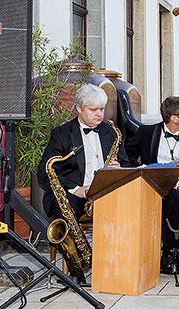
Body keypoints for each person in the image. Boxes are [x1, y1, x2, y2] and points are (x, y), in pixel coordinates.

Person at [125, 96, 179, 273]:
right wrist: (141, 169)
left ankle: (171, 251)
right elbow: (126, 155)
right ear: (174, 118)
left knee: (178, 199)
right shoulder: (146, 133)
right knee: (172, 200)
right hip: (152, 188)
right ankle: (170, 252)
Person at [37, 85, 129, 222]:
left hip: (106, 193)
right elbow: (44, 173)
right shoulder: (61, 134)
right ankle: (69, 244)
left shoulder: (111, 132)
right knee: (65, 207)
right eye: (93, 110)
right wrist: (76, 189)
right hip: (74, 194)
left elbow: (127, 164)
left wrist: (119, 168)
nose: (99, 114)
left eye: (102, 109)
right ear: (79, 109)